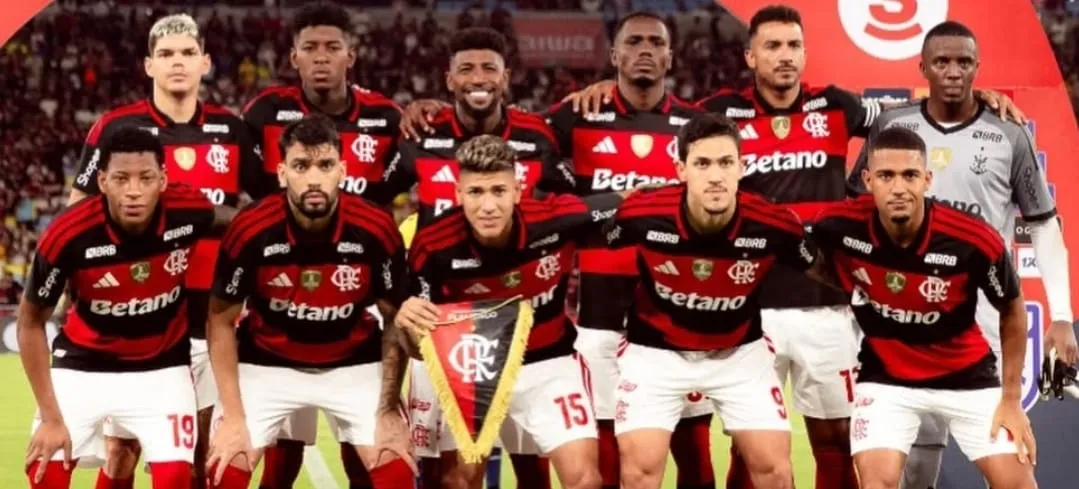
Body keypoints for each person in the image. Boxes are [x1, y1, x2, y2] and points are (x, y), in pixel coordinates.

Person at [552, 7, 1026, 489]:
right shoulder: (718, 114)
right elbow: (660, 112)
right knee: (747, 445)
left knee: (836, 438)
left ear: (805, 54)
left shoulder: (839, 106)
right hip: (752, 306)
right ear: (750, 56)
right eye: (772, 46)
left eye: (793, 46)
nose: (784, 56)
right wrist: (600, 94)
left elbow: (908, 120)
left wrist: (967, 99)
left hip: (824, 305)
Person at [847, 21, 1077, 489]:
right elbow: (855, 212)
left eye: (964, 62)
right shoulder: (894, 126)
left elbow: (1043, 224)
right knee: (911, 467)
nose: (953, 71)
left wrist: (1062, 314)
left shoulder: (1009, 133)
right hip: (902, 318)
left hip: (984, 324)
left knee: (1009, 461)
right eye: (942, 62)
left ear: (978, 68)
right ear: (923, 67)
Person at [65, 14, 267, 489]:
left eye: (187, 53)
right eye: (167, 54)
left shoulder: (232, 131)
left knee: (195, 448)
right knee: (121, 453)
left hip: (209, 316)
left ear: (205, 62)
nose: (178, 62)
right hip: (137, 315)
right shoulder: (116, 128)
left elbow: (264, 210)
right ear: (148, 65)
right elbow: (76, 215)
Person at [603, 112, 831, 489]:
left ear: (741, 167)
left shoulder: (774, 224)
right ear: (681, 169)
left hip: (739, 353)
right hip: (654, 353)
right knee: (640, 473)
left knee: (775, 472)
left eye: (726, 163)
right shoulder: (641, 214)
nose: (715, 176)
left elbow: (822, 267)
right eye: (702, 163)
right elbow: (591, 240)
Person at [396, 134, 633, 489]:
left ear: (518, 191)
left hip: (548, 363)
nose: (488, 205)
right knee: (458, 481)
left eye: (498, 191)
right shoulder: (433, 246)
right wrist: (406, 322)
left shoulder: (558, 219)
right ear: (458, 194)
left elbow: (633, 200)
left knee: (585, 480)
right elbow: (417, 344)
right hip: (474, 368)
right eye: (476, 192)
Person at [815, 126, 1037, 489]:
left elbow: (1012, 308)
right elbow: (808, 259)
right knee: (877, 485)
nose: (899, 188)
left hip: (967, 377)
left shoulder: (972, 239)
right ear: (868, 179)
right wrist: (849, 283)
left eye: (910, 175)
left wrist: (1011, 400)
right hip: (886, 378)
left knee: (1018, 485)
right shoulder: (838, 225)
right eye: (886, 176)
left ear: (927, 179)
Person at [203, 114, 413, 489]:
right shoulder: (250, 229)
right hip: (266, 363)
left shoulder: (376, 227)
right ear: (282, 173)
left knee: (394, 468)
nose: (314, 178)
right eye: (301, 166)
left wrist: (388, 409)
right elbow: (219, 320)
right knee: (225, 470)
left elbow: (394, 318)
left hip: (353, 362)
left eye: (325, 165)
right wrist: (234, 417)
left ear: (343, 171)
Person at [20, 127, 235, 489]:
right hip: (82, 367)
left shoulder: (188, 209)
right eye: (121, 178)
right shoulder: (67, 235)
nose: (134, 190)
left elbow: (234, 219)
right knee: (45, 470)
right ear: (102, 181)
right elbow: (29, 323)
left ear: (163, 179)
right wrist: (51, 417)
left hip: (161, 369)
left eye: (146, 178)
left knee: (176, 479)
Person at [241, 3, 400, 486]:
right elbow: (250, 196)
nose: (321, 57)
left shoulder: (386, 117)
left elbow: (419, 165)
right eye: (310, 48)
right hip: (281, 298)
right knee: (284, 453)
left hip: (356, 303)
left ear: (351, 55)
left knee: (364, 454)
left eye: (333, 47)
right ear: (293, 56)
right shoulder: (264, 113)